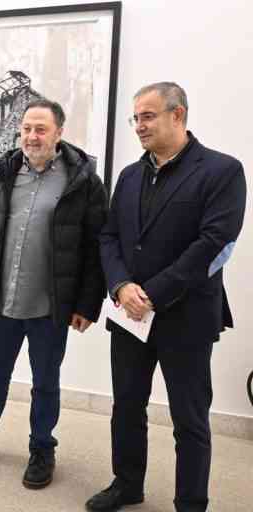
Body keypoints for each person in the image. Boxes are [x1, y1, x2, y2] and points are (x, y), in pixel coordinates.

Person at [87, 82, 246, 512]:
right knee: (127, 407)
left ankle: (191, 502)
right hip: (129, 314)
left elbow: (214, 244)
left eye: (148, 116)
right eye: (135, 117)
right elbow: (110, 237)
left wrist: (152, 294)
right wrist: (121, 286)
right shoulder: (130, 174)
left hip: (186, 316)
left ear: (178, 115)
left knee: (189, 420)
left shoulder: (222, 171)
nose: (139, 126)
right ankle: (127, 484)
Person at [0, 99, 107, 489]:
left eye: (41, 129)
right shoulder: (5, 172)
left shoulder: (83, 181)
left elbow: (96, 247)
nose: (32, 136)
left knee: (45, 382)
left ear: (59, 133)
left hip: (50, 306)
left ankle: (42, 449)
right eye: (27, 128)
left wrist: (86, 304)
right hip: (0, 298)